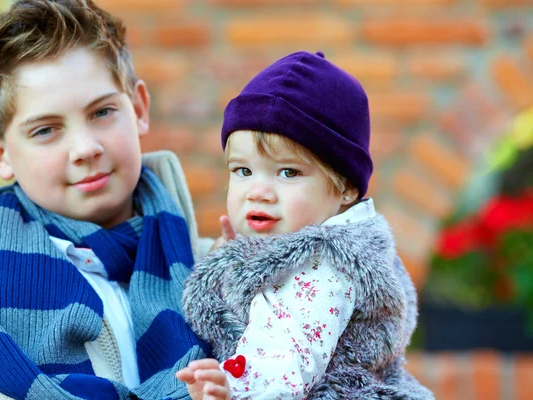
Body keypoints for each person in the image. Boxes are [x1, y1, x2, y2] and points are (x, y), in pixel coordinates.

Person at [0, 0, 216, 398]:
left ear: (137, 108)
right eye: (46, 130)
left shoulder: (209, 269)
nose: (85, 148)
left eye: (102, 112)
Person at [176, 51, 434, 399]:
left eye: (288, 172)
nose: (258, 192)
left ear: (345, 187)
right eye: (243, 171)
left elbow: (287, 352)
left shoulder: (324, 268)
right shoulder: (323, 245)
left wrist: (232, 388)